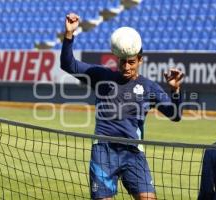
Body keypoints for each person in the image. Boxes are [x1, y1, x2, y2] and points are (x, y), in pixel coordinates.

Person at [60, 13, 184, 200]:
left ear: (140, 60)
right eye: (122, 61)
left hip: (133, 153)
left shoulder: (150, 87)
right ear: (116, 59)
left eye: (131, 62)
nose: (126, 66)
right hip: (104, 151)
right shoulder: (102, 76)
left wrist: (175, 91)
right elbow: (68, 64)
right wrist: (69, 34)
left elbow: (175, 115)